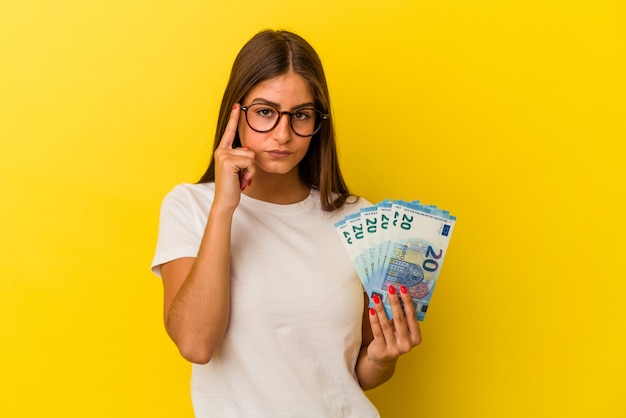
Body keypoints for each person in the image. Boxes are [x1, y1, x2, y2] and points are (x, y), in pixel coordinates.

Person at [151, 29, 422, 418]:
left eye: (300, 115)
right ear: (236, 112)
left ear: (318, 121)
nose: (283, 134)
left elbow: (352, 373)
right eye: (265, 112)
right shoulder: (191, 207)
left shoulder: (360, 219)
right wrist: (225, 208)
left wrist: (382, 358)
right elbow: (195, 344)